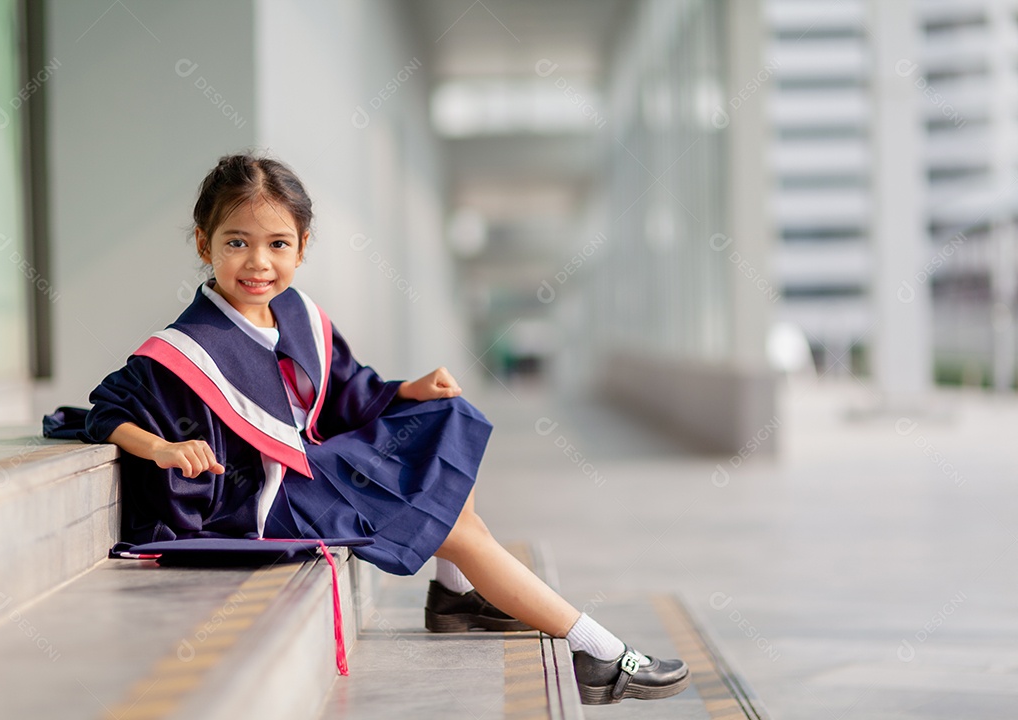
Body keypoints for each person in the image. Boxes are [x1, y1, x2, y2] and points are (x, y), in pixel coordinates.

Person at [51, 153, 689, 705]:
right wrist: (162, 445)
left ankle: (461, 600)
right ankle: (596, 650)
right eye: (236, 241)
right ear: (203, 244)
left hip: (308, 469)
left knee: (440, 427)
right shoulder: (186, 348)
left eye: (277, 244)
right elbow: (109, 410)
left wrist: (411, 389)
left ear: (302, 247)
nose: (257, 263)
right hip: (261, 501)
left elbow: (349, 392)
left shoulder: (296, 314)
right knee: (457, 526)